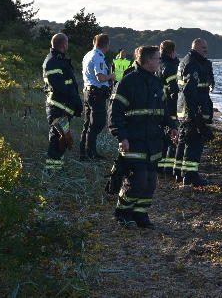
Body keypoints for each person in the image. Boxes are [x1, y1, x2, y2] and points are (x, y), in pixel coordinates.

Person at [109, 46, 178, 228]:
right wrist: (121, 137)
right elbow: (115, 113)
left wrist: (171, 127)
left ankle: (140, 214)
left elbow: (164, 111)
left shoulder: (156, 83)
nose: (159, 62)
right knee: (137, 180)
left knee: (150, 182)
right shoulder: (127, 82)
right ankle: (123, 213)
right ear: (147, 61)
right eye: (156, 59)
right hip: (133, 140)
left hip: (153, 141)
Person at [175, 38, 215, 186]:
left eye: (206, 47)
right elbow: (189, 91)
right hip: (192, 110)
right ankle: (190, 176)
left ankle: (179, 172)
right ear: (195, 47)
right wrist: (194, 114)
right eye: (203, 47)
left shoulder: (190, 61)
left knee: (184, 142)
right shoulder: (193, 63)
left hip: (185, 109)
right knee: (194, 144)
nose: (206, 50)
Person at [42, 33, 83, 172]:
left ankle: (56, 168)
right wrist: (75, 100)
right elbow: (60, 88)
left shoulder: (59, 60)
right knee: (58, 140)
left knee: (62, 140)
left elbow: (69, 86)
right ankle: (52, 172)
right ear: (64, 44)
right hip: (58, 109)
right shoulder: (53, 61)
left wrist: (76, 104)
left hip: (64, 109)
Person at [80, 33, 115, 161]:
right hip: (96, 94)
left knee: (88, 124)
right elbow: (100, 77)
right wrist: (111, 76)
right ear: (106, 45)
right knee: (97, 124)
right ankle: (91, 153)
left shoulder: (87, 55)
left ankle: (84, 152)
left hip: (88, 92)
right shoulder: (98, 57)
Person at [156, 40, 179, 177]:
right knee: (171, 138)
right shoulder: (170, 67)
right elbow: (174, 91)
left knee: (163, 139)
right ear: (172, 51)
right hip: (170, 107)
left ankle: (160, 167)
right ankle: (167, 169)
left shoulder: (158, 64)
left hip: (158, 106)